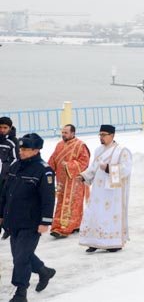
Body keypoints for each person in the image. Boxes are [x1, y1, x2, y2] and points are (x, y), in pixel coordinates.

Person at [0, 133, 56, 302]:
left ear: (36, 150)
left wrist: (45, 221)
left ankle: (20, 293)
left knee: (21, 258)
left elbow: (48, 198)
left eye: (25, 149)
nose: (21, 152)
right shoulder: (16, 166)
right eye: (20, 148)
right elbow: (5, 193)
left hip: (31, 221)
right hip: (13, 219)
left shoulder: (44, 170)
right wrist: (1, 215)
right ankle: (43, 271)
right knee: (20, 254)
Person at [78, 125, 133, 253]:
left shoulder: (122, 150)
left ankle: (113, 243)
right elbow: (93, 167)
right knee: (95, 213)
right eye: (100, 135)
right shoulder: (98, 150)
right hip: (98, 190)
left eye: (104, 135)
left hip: (113, 191)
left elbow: (126, 169)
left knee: (109, 215)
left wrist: (109, 168)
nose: (101, 137)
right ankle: (94, 241)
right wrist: (84, 176)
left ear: (112, 135)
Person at [47, 124, 90, 238]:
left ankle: (66, 228)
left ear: (73, 133)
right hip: (61, 180)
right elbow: (53, 159)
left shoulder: (80, 145)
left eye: (66, 132)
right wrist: (48, 170)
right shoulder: (59, 145)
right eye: (62, 132)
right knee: (61, 203)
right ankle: (57, 226)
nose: (63, 135)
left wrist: (69, 166)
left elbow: (84, 162)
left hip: (74, 181)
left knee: (73, 205)